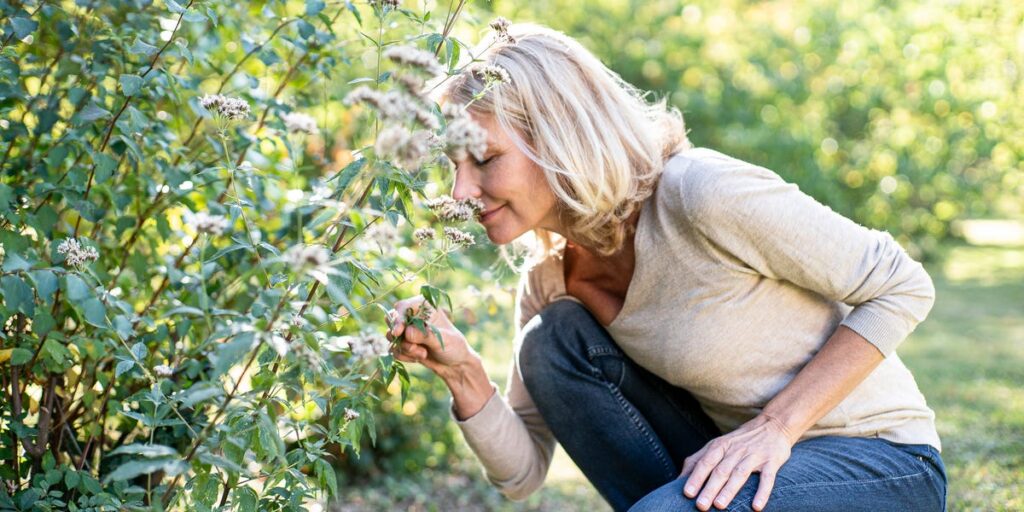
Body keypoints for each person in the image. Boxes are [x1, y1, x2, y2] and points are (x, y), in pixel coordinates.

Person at [386, 23, 947, 512]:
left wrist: (777, 427)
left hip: (880, 463)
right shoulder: (551, 279)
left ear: (561, 135)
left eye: (485, 159)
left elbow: (901, 285)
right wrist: (460, 369)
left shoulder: (700, 194)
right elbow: (523, 474)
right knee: (549, 338)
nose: (460, 191)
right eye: (452, 165)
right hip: (733, 466)